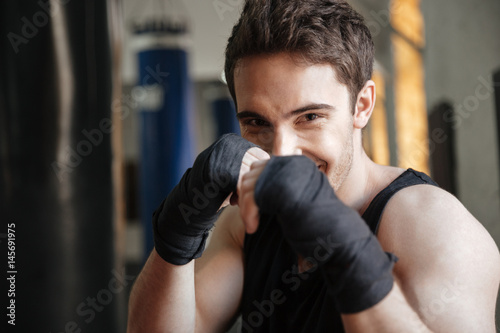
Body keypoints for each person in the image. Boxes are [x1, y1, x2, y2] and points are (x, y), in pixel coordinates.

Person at [127, 0, 500, 332]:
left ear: (363, 105)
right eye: (256, 123)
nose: (283, 153)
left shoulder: (435, 226)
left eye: (309, 117)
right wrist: (177, 233)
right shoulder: (247, 224)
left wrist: (350, 257)